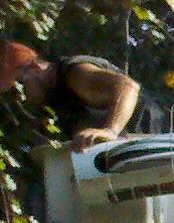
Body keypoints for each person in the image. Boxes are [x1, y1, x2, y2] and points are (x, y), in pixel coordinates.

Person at [0, 45, 141, 151]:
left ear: (35, 67)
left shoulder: (74, 75)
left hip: (154, 143)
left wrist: (110, 131)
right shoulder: (51, 100)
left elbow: (127, 87)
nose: (19, 97)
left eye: (18, 85)